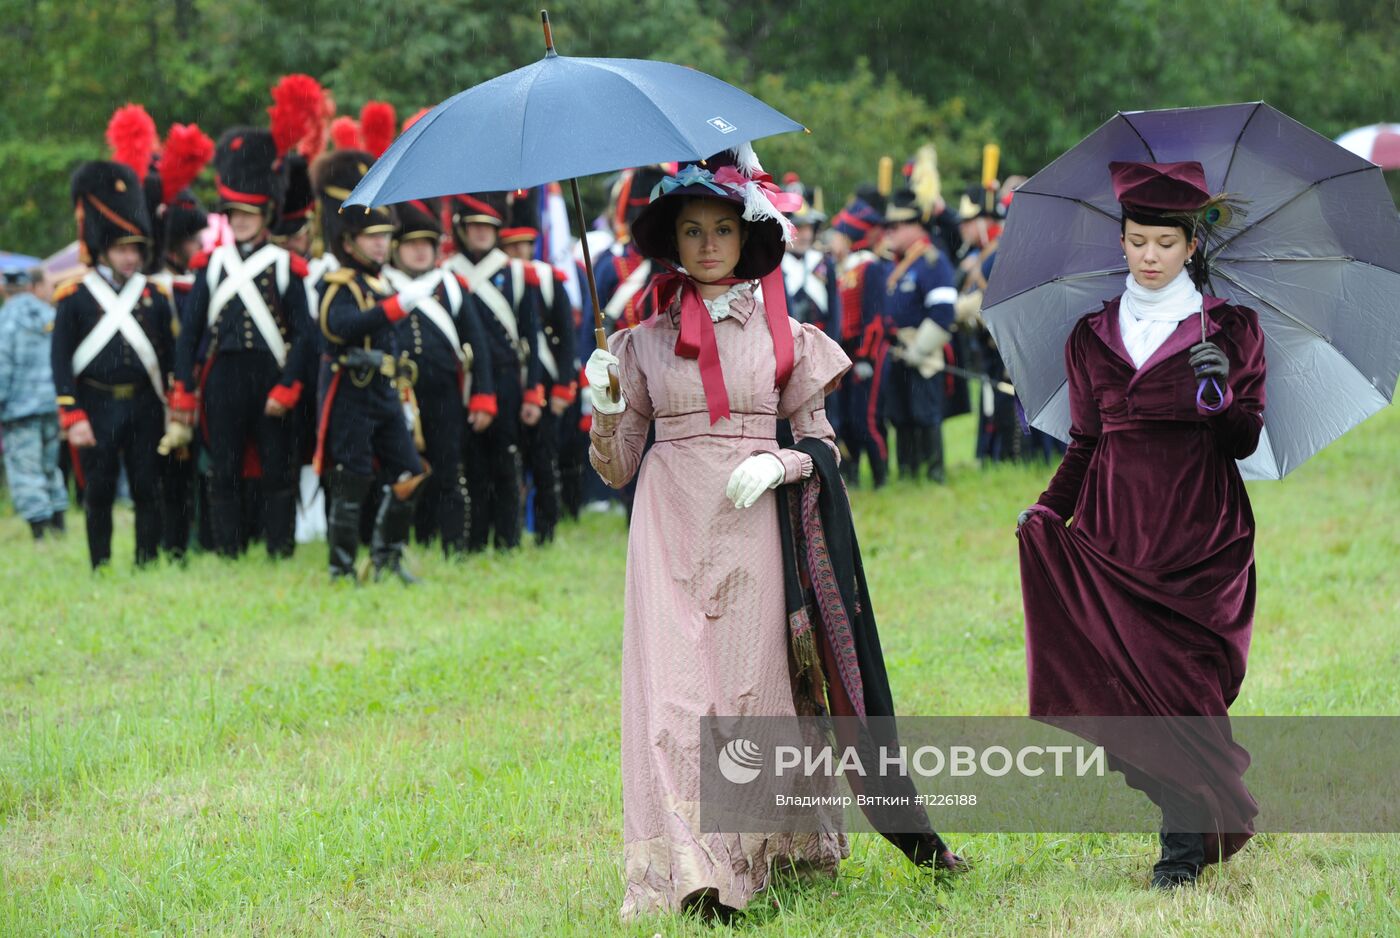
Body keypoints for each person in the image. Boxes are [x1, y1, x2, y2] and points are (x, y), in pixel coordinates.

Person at [588, 147, 959, 921]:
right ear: (673, 241)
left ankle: (753, 855)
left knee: (753, 694)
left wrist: (781, 467)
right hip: (667, 525)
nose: (709, 244)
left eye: (723, 227)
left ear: (747, 233)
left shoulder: (790, 336)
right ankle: (697, 874)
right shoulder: (642, 341)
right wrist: (605, 406)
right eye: (692, 230)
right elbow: (618, 467)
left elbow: (825, 448)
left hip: (753, 519)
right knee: (675, 700)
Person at [1015, 160, 1265, 889]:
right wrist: (1048, 510)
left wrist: (1220, 397)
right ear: (1120, 243)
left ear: (1192, 245)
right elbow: (1087, 442)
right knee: (1126, 688)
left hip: (1201, 534)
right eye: (1137, 241)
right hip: (1115, 531)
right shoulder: (1091, 335)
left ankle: (1183, 849)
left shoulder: (1232, 328)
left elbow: (1246, 437)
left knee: (1186, 689)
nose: (1150, 255)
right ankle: (1182, 815)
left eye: (1165, 242)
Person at [166, 128, 313, 560]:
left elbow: (306, 334)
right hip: (223, 377)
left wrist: (289, 385)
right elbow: (190, 332)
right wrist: (184, 388)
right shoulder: (211, 266)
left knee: (277, 468)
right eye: (235, 212)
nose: (242, 219)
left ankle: (278, 549)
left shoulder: (287, 266)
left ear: (266, 214)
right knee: (224, 469)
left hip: (271, 375)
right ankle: (228, 548)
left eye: (250, 212)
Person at [311, 149, 433, 583]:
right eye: (370, 236)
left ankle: (386, 558)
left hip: (384, 391)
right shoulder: (341, 284)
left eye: (384, 235)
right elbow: (336, 324)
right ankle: (341, 568)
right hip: (352, 390)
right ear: (348, 241)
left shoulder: (381, 282)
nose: (381, 243)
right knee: (352, 480)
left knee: (411, 472)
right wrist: (395, 309)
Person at [52, 161, 175, 569]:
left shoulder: (154, 295)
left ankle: (147, 559)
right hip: (95, 403)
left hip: (143, 402)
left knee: (147, 485)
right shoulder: (74, 296)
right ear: (104, 247)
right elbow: (60, 358)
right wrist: (71, 410)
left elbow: (167, 354)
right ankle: (100, 562)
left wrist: (174, 401)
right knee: (99, 490)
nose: (130, 256)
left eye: (136, 248)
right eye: (123, 248)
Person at [383, 196, 496, 556]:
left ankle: (452, 548)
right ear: (397, 249)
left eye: (427, 245)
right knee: (404, 473)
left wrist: (483, 395)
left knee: (448, 471)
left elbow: (478, 345)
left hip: (444, 393)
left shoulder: (450, 285)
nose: (420, 252)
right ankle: (406, 544)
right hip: (395, 395)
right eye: (412, 245)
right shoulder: (384, 283)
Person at [441, 190, 546, 551]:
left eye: (489, 226)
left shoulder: (515, 273)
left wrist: (533, 390)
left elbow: (531, 338)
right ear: (463, 228)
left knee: (506, 462)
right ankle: (473, 541)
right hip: (465, 378)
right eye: (475, 226)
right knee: (472, 465)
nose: (482, 233)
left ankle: (508, 540)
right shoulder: (448, 274)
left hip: (506, 378)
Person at [500, 187, 577, 545]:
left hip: (545, 384)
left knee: (545, 462)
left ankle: (546, 531)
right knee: (508, 464)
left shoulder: (549, 280)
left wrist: (563, 386)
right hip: (509, 382)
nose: (520, 253)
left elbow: (566, 336)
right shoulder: (497, 282)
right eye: (512, 247)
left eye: (525, 245)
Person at [881, 189, 958, 482]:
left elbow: (943, 312)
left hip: (923, 347)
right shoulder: (895, 262)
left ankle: (934, 471)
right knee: (899, 414)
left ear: (915, 226)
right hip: (895, 348)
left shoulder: (932, 261)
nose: (891, 233)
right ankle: (907, 471)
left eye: (896, 227)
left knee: (926, 411)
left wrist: (921, 348)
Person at [827, 194, 891, 487]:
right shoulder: (841, 268)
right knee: (848, 418)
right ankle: (851, 473)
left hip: (868, 354)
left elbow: (874, 318)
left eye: (838, 235)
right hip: (846, 353)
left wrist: (865, 357)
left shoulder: (871, 267)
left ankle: (881, 475)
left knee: (865, 417)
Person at [0, 268, 68, 539]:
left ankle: (40, 532)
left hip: (19, 408)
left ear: (5, 289)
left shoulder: (5, 320)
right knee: (50, 465)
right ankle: (59, 522)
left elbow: (2, 367)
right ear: (31, 287)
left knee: (25, 468)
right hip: (52, 402)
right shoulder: (50, 315)